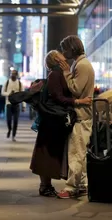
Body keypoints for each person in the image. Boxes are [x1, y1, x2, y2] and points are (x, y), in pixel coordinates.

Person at [30, 50, 92, 197]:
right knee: (47, 153)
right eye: (59, 54)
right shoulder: (55, 74)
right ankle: (45, 186)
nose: (64, 55)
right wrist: (78, 101)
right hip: (52, 121)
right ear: (56, 59)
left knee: (49, 153)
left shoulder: (59, 73)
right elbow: (58, 97)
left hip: (53, 121)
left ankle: (46, 186)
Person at [56, 35, 95, 199]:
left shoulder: (82, 65)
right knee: (80, 152)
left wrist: (66, 73)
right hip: (82, 115)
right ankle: (83, 185)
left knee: (76, 153)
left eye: (65, 48)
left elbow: (76, 90)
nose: (64, 53)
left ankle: (71, 187)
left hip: (81, 115)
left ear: (72, 48)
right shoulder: (80, 64)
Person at [1, 70, 26, 141]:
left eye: (14, 74)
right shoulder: (7, 82)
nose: (13, 75)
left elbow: (23, 95)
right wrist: (9, 93)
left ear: (17, 75)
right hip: (8, 104)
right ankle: (9, 129)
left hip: (17, 104)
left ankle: (13, 135)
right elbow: (2, 92)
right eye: (12, 73)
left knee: (15, 121)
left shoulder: (20, 84)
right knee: (8, 120)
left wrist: (23, 106)